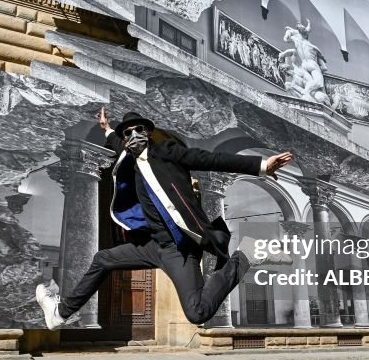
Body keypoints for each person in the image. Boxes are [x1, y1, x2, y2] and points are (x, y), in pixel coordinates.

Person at [36, 108, 294, 329]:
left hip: (179, 249)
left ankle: (246, 255)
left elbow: (210, 159)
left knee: (197, 313)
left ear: (147, 133)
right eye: (129, 132)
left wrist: (261, 165)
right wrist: (106, 129)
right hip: (152, 246)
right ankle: (60, 314)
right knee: (102, 259)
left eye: (140, 130)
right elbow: (115, 142)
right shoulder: (128, 156)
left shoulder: (168, 152)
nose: (135, 135)